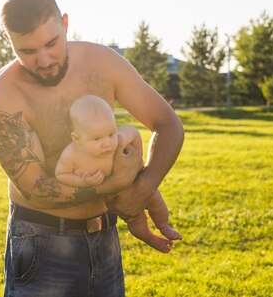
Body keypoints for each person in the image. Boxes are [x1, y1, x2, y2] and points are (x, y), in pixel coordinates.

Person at [0, 0, 184, 297]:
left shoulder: (102, 62)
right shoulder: (3, 97)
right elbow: (37, 188)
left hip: (104, 237)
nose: (45, 60)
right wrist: (120, 183)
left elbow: (168, 124)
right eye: (28, 52)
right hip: (41, 244)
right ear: (8, 42)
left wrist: (142, 190)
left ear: (64, 23)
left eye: (51, 43)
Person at [55, 94, 182, 253]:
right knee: (135, 221)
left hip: (136, 181)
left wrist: (136, 159)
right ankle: (149, 238)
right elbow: (61, 174)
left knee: (156, 201)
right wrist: (83, 182)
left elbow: (134, 132)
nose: (107, 142)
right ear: (76, 139)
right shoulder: (71, 155)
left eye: (110, 134)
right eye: (97, 139)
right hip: (115, 197)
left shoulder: (120, 138)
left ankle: (164, 226)